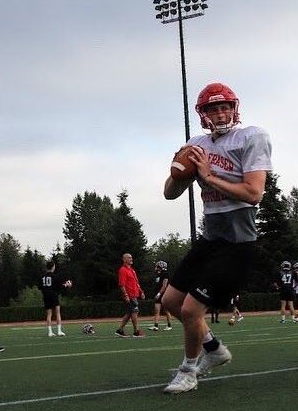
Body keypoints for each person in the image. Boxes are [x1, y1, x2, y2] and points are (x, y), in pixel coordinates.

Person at [161, 82, 272, 393]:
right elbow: (170, 194)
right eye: (212, 108)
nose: (220, 113)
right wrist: (178, 169)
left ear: (234, 108)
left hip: (238, 243)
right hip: (211, 238)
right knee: (170, 301)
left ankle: (188, 371)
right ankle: (214, 350)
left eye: (224, 107)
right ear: (203, 114)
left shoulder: (251, 136)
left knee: (190, 310)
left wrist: (209, 176)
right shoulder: (197, 144)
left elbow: (253, 193)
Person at [115, 253, 145, 338]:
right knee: (134, 312)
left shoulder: (132, 270)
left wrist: (141, 292)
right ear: (124, 260)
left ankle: (120, 330)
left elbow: (136, 283)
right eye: (129, 258)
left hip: (134, 295)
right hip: (130, 295)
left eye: (131, 257)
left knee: (129, 313)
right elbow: (122, 284)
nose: (131, 259)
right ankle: (136, 331)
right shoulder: (123, 270)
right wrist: (126, 295)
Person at [39, 261, 72, 337]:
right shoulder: (55, 276)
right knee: (57, 313)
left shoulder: (42, 277)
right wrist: (67, 285)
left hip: (46, 296)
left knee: (49, 314)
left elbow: (40, 287)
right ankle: (59, 331)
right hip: (54, 296)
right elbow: (60, 286)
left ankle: (50, 332)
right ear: (53, 267)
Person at [149, 261, 173, 331]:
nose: (156, 268)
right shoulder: (158, 275)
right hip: (158, 294)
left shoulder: (165, 274)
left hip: (164, 294)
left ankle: (169, 325)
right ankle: (156, 325)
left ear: (161, 267)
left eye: (158, 266)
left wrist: (159, 294)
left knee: (166, 310)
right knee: (156, 310)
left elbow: (164, 286)